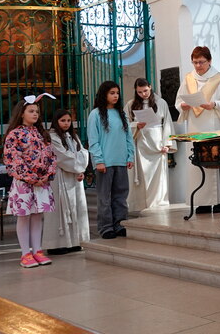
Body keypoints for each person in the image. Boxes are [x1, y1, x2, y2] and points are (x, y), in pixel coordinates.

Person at [175, 47, 220, 210]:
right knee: (197, 163)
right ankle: (201, 202)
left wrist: (215, 104)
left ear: (209, 61)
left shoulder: (219, 79)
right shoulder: (188, 79)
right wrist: (184, 105)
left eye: (201, 62)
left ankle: (219, 201)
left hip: (216, 126)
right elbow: (178, 102)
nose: (197, 66)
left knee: (218, 160)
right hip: (196, 128)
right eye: (195, 62)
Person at [3, 98, 57, 269]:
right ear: (22, 113)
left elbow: (51, 156)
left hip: (42, 183)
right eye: (31, 111)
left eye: (37, 112)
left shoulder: (41, 133)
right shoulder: (15, 134)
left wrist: (47, 175)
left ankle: (38, 251)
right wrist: (32, 178)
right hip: (24, 183)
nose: (35, 114)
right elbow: (13, 160)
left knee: (37, 216)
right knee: (24, 216)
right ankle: (25, 253)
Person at [88, 81, 135, 239]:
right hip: (104, 163)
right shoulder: (95, 114)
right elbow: (93, 140)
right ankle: (106, 227)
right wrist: (99, 160)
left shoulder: (121, 113)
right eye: (112, 93)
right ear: (104, 94)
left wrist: (130, 156)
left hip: (121, 161)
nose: (115, 96)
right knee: (104, 197)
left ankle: (120, 224)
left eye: (117, 93)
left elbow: (128, 137)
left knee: (120, 196)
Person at [43, 109, 90, 255]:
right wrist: (78, 167)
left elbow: (83, 152)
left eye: (68, 121)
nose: (66, 123)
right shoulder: (52, 137)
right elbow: (62, 156)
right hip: (59, 177)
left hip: (74, 177)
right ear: (56, 121)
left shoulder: (73, 136)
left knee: (77, 207)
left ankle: (76, 241)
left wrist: (80, 170)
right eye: (62, 121)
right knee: (59, 209)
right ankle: (56, 244)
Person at [127, 78, 176, 213]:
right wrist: (136, 125)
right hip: (140, 143)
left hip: (157, 144)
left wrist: (167, 144)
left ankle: (158, 203)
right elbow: (125, 125)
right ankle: (141, 205)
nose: (143, 94)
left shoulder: (161, 103)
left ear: (150, 87)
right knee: (142, 177)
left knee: (158, 176)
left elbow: (167, 124)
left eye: (146, 91)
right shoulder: (131, 104)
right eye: (140, 92)